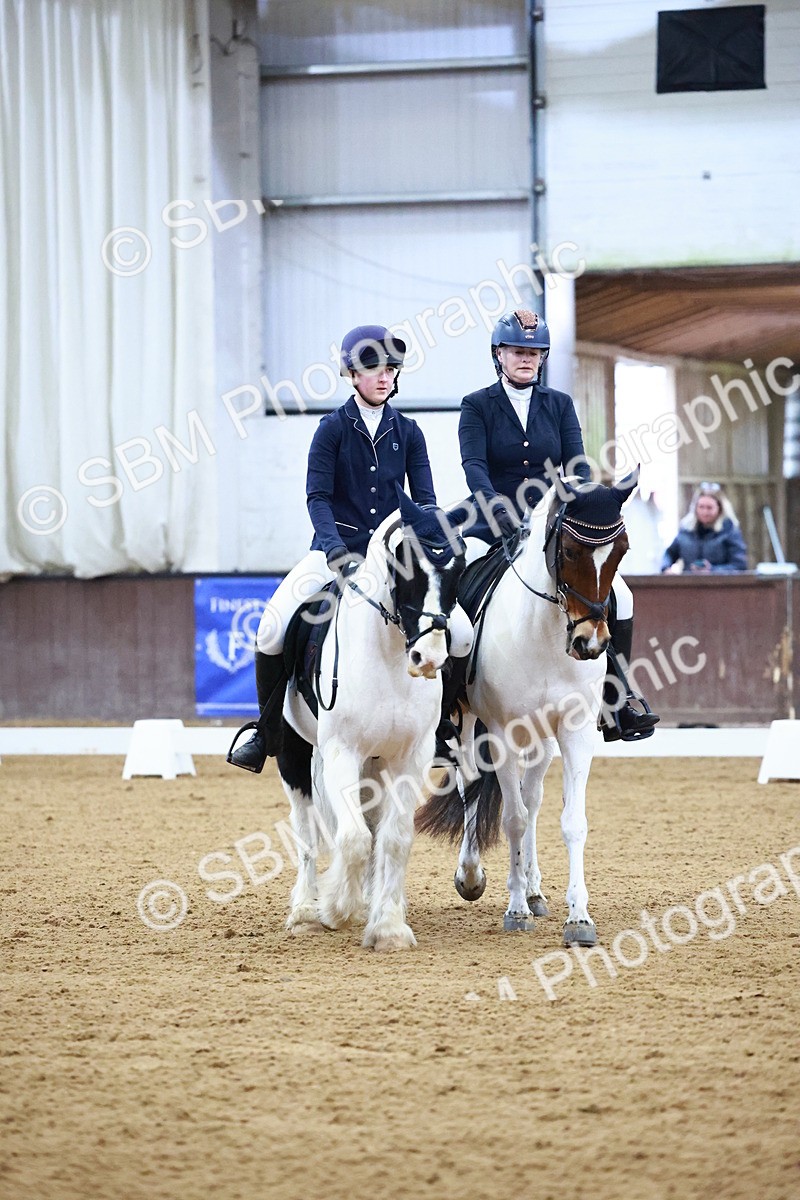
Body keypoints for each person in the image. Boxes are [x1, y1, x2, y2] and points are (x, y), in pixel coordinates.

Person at [228, 324, 474, 772]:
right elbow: (316, 498)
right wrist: (335, 550)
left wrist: (426, 549)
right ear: (351, 373)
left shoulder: (410, 432)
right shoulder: (332, 429)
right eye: (374, 368)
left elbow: (425, 502)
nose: (385, 376)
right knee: (270, 627)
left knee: (459, 634)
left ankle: (438, 729)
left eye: (391, 369)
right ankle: (266, 731)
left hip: (397, 559)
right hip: (335, 551)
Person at [454, 307, 659, 742]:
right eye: (516, 351)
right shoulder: (477, 405)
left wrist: (579, 507)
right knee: (454, 576)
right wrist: (497, 509)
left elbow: (577, 467)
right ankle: (449, 696)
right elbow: (474, 465)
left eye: (534, 352)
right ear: (499, 355)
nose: (525, 358)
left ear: (542, 357)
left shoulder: (560, 404)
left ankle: (617, 696)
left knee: (620, 594)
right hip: (493, 520)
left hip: (552, 523)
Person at [661, 482, 748, 574]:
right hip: (689, 584)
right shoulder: (686, 530)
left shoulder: (730, 531)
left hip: (720, 585)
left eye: (709, 508)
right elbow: (669, 554)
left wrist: (712, 571)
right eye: (701, 507)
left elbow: (739, 566)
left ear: (719, 509)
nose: (704, 512)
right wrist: (666, 568)